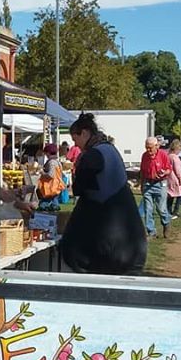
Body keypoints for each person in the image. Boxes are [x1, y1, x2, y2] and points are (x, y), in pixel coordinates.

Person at [60, 112, 147, 274]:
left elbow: (79, 188)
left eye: (75, 139)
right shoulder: (109, 149)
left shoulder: (94, 155)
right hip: (130, 241)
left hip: (112, 244)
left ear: (85, 133)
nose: (75, 145)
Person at [139, 136, 172, 238]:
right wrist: (142, 185)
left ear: (156, 146)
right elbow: (142, 172)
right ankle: (151, 232)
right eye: (146, 148)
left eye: (150, 148)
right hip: (148, 184)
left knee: (161, 208)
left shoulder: (163, 155)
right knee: (148, 209)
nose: (148, 150)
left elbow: (169, 169)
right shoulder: (144, 156)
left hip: (161, 184)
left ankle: (166, 224)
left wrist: (164, 172)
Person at [37, 143, 66, 208]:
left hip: (51, 187)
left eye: (46, 153)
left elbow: (51, 175)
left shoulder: (52, 162)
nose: (45, 155)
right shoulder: (57, 162)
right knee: (54, 204)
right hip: (55, 186)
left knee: (43, 206)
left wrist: (42, 172)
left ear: (48, 153)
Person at [166, 138, 181, 219]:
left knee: (170, 196)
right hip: (175, 179)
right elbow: (178, 170)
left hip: (169, 178)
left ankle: (168, 211)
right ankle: (175, 211)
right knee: (180, 195)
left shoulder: (168, 156)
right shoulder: (175, 158)